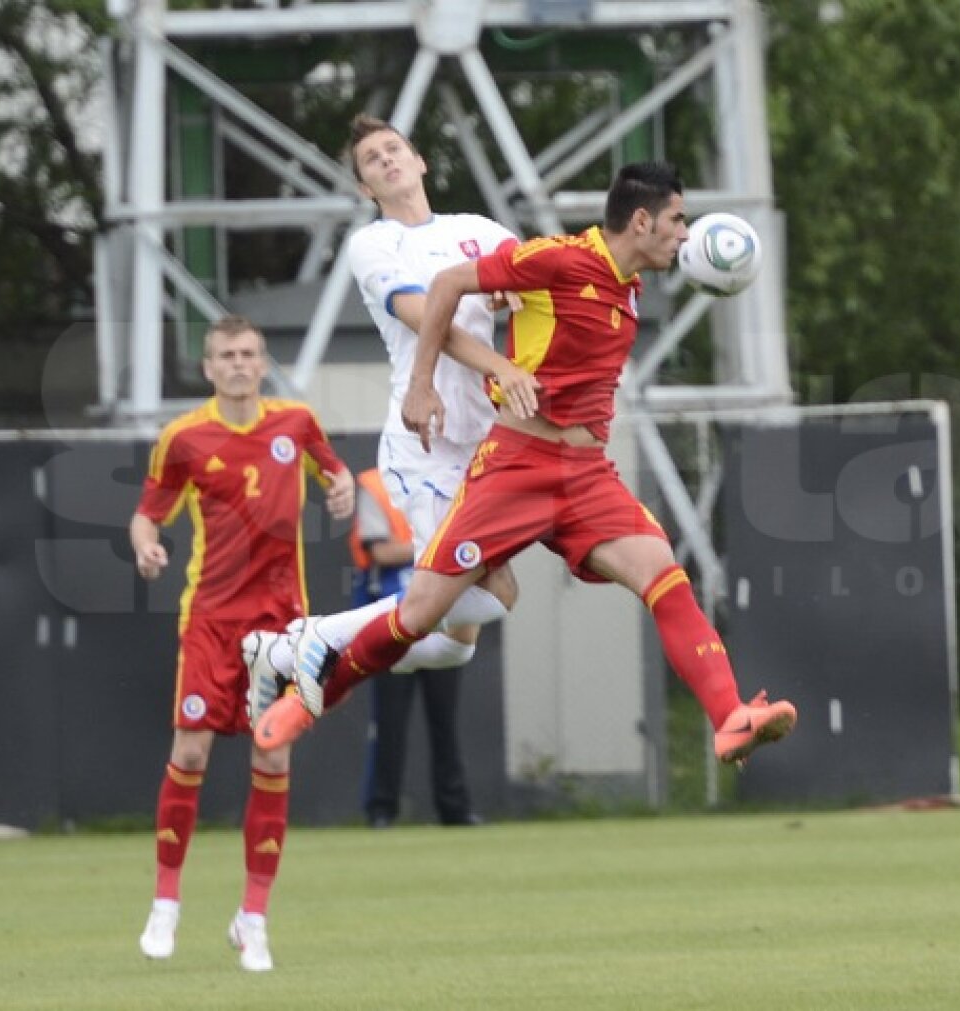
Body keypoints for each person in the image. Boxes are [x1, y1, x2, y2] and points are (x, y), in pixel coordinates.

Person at [255, 162, 798, 768]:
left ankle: (729, 718)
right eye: (677, 219)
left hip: (587, 476)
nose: (685, 233)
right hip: (518, 467)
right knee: (421, 614)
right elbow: (448, 284)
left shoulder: (628, 284)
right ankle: (310, 700)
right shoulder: (561, 259)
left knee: (665, 577)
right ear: (642, 221)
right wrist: (423, 384)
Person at [242, 114, 528, 729]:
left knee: (456, 642)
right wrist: (500, 365)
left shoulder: (480, 230)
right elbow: (426, 315)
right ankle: (310, 641)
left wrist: (515, 291)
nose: (387, 160)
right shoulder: (373, 244)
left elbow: (534, 284)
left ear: (420, 161)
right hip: (426, 443)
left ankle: (293, 651)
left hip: (485, 444)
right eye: (373, 160)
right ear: (366, 188)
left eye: (395, 149)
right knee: (481, 596)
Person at [130, 314, 354, 972]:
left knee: (273, 754)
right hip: (211, 618)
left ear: (262, 363)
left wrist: (341, 486)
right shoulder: (183, 438)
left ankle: (253, 918)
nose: (237, 363)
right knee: (189, 749)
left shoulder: (296, 423)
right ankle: (165, 901)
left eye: (248, 353)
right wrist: (146, 544)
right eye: (225, 354)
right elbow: (147, 513)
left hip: (282, 624)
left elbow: (336, 473)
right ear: (208, 367)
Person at [350, 468, 480, 828]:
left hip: (444, 618)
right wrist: (432, 548)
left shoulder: (453, 475)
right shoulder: (375, 483)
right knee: (389, 721)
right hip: (394, 618)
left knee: (445, 721)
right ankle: (382, 808)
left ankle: (454, 808)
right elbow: (381, 550)